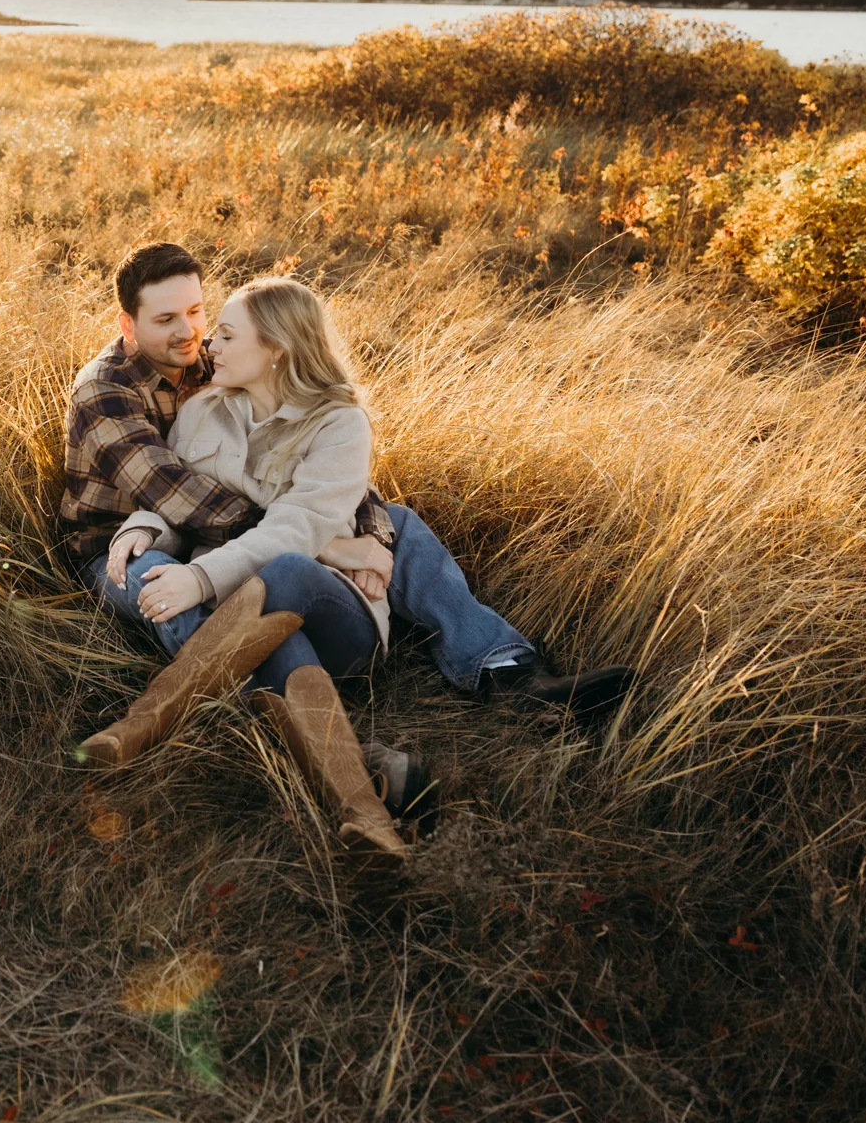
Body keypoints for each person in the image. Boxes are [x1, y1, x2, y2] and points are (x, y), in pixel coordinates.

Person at [59, 245, 632, 864]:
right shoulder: (113, 390)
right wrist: (324, 538)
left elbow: (338, 485)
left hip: (240, 555)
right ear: (129, 326)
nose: (193, 335)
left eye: (199, 314)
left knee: (389, 526)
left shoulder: (223, 374)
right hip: (122, 551)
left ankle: (506, 672)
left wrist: (371, 533)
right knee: (225, 577)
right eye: (166, 320)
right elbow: (175, 495)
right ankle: (356, 762)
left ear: (271, 346)